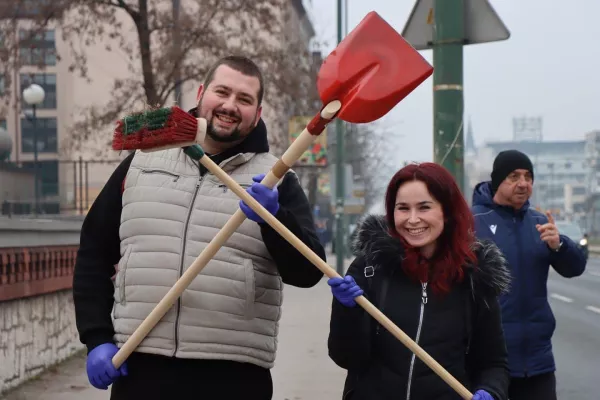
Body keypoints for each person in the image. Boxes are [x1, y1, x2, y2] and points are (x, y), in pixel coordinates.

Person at [73, 55, 326, 400]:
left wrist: (275, 218)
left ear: (258, 113)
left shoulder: (276, 180)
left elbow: (308, 272)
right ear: (202, 92)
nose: (230, 105)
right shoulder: (143, 161)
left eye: (244, 99)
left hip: (234, 376)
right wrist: (96, 337)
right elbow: (93, 251)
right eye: (222, 92)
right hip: (142, 367)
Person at [327, 162, 511, 400]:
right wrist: (347, 311)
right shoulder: (370, 267)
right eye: (403, 208)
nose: (413, 219)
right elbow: (345, 357)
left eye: (424, 208)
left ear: (447, 210)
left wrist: (490, 391)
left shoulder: (476, 276)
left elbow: (494, 363)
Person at [471, 150, 587, 400]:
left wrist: (560, 246)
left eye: (528, 176)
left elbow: (575, 268)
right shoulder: (473, 222)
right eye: (513, 176)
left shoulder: (540, 222)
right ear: (497, 181)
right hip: (489, 363)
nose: (523, 183)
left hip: (538, 361)